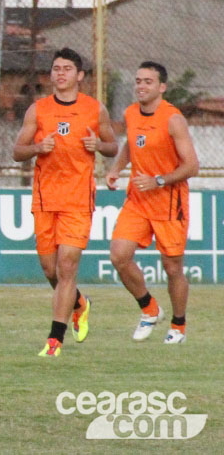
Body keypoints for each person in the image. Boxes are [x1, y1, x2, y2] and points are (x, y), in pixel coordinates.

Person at [12, 47, 117, 357]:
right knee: (50, 270)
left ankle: (54, 340)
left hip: (77, 199)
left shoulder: (94, 109)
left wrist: (98, 144)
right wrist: (36, 147)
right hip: (45, 198)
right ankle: (80, 304)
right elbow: (18, 150)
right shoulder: (38, 110)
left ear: (79, 75)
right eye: (56, 68)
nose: (60, 73)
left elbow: (113, 146)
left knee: (67, 265)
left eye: (67, 69)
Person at [105, 61, 199, 344]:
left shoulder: (173, 119)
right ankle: (149, 308)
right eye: (138, 80)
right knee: (119, 256)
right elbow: (131, 145)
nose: (141, 86)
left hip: (169, 203)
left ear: (161, 87)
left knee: (172, 269)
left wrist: (158, 180)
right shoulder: (131, 113)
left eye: (148, 81)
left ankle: (178, 326)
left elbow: (192, 166)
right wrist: (115, 169)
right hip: (137, 201)